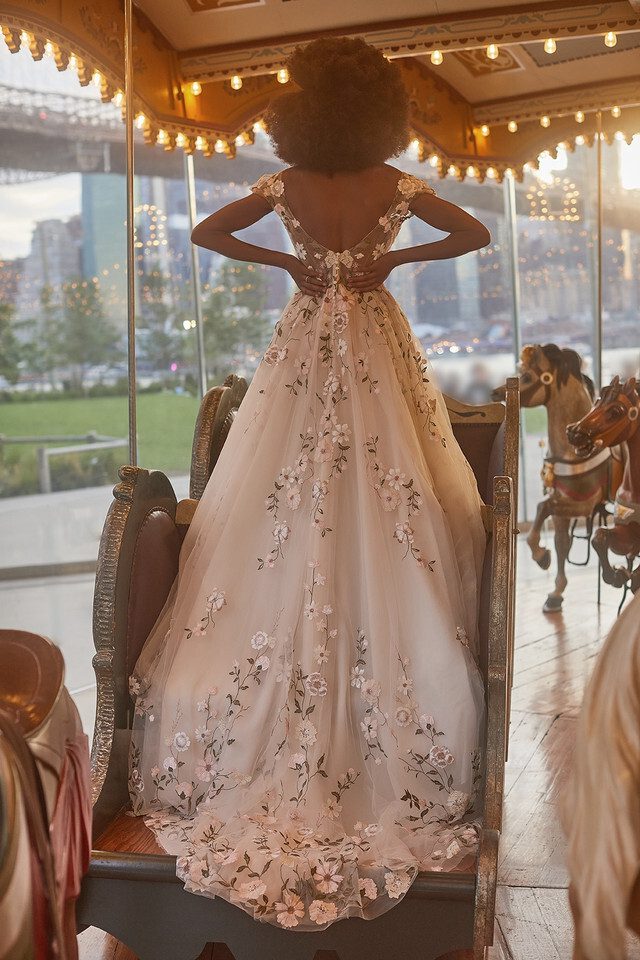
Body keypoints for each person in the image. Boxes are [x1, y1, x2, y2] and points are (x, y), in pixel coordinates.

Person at [128, 36, 490, 931]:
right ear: (376, 106)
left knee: (281, 499)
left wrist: (291, 266)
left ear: (305, 106)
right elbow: (474, 231)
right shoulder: (394, 184)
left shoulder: (286, 189)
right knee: (390, 489)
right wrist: (394, 263)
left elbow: (211, 232)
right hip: (373, 335)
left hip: (303, 338)